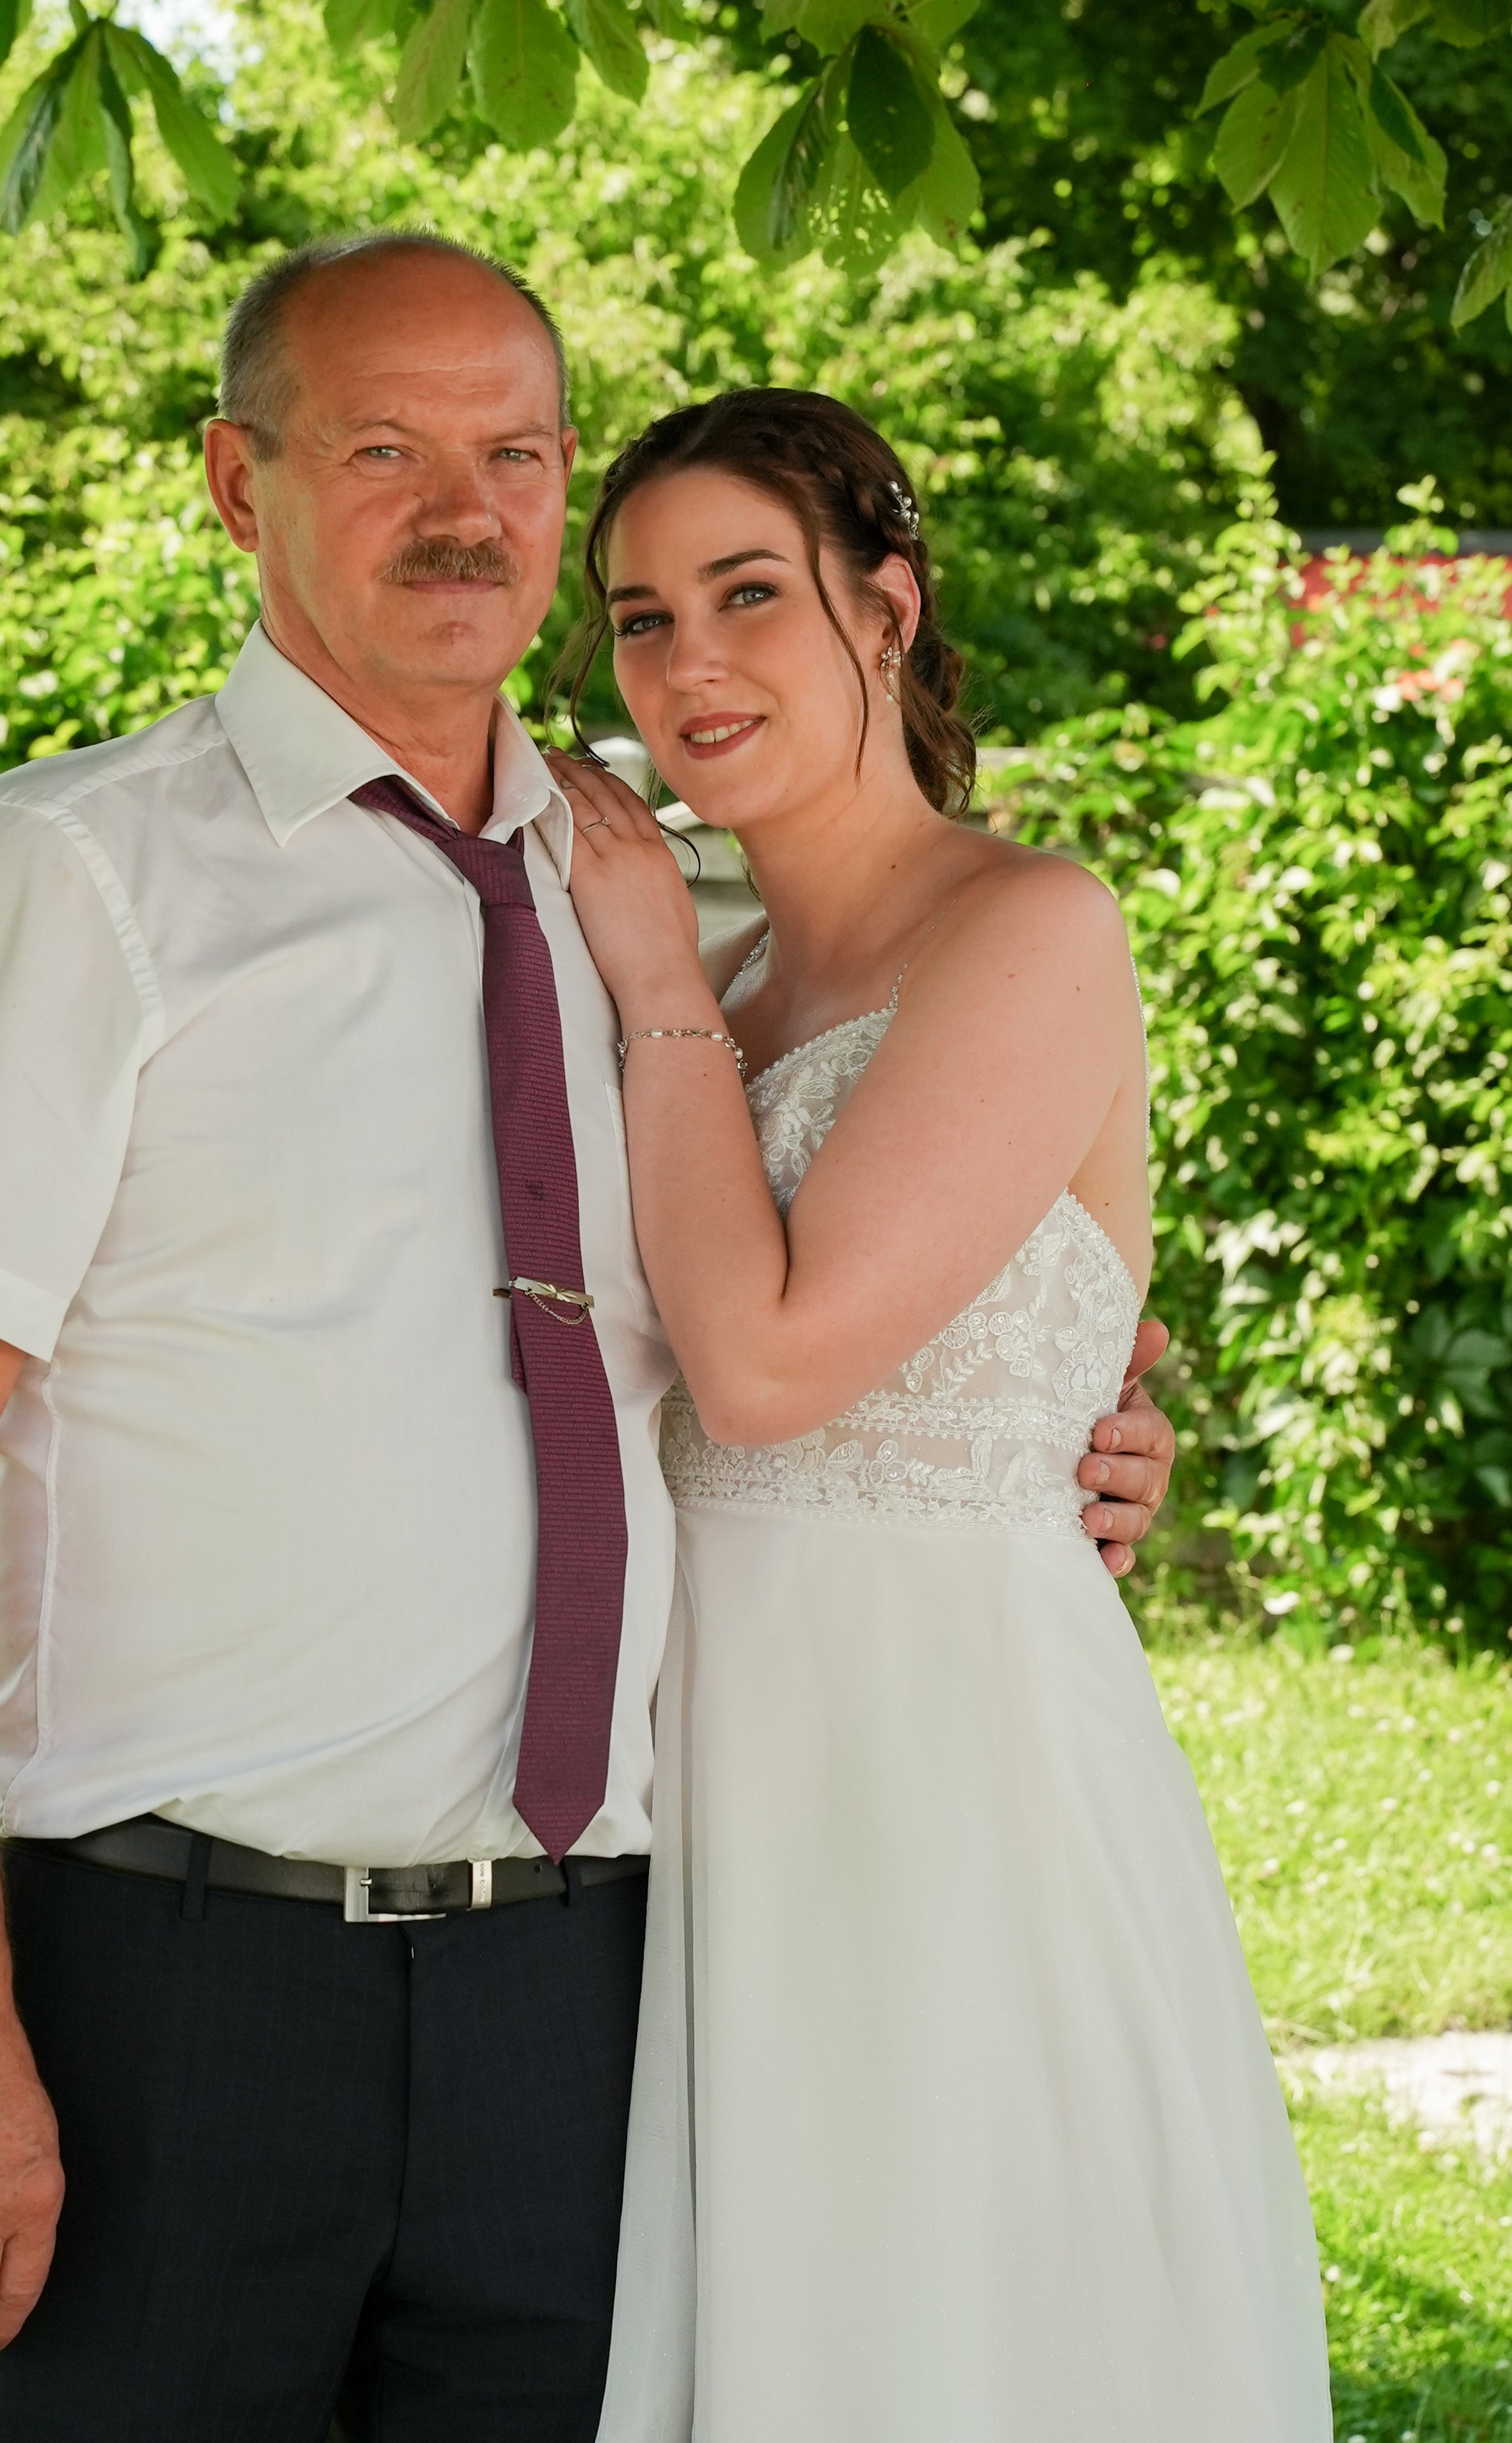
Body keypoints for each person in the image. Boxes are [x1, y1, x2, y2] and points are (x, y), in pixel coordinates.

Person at [0, 240, 1176, 2443]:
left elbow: (932, 1256)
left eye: (516, 455)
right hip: (178, 1986)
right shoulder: (73, 877)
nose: (467, 511)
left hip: (604, 2004)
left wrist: (1087, 1428)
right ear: (240, 488)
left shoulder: (668, 918)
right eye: (384, 451)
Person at [546, 387, 1332, 2443]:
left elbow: (776, 1367)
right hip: (705, 1770)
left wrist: (650, 984)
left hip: (950, 1779)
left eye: (748, 596)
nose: (688, 664)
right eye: (638, 618)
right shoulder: (702, 958)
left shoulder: (1032, 928)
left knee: (946, 2334)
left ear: (885, 610)